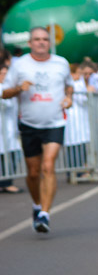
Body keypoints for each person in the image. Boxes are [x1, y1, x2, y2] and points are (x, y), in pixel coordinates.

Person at [0, 27, 73, 232]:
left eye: (44, 39)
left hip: (55, 122)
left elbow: (69, 86)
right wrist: (18, 89)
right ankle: (36, 205)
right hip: (29, 124)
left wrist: (69, 98)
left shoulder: (61, 63)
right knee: (33, 172)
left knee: (48, 166)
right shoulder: (19, 64)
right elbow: (4, 92)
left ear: (49, 42)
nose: (41, 42)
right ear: (29, 43)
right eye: (36, 39)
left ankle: (44, 215)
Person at [0, 51, 24, 194]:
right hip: (3, 129)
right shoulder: (4, 89)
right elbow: (6, 104)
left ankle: (6, 181)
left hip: (10, 127)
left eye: (5, 73)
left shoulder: (8, 87)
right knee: (5, 156)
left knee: (14, 154)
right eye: (1, 73)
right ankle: (6, 182)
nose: (4, 76)